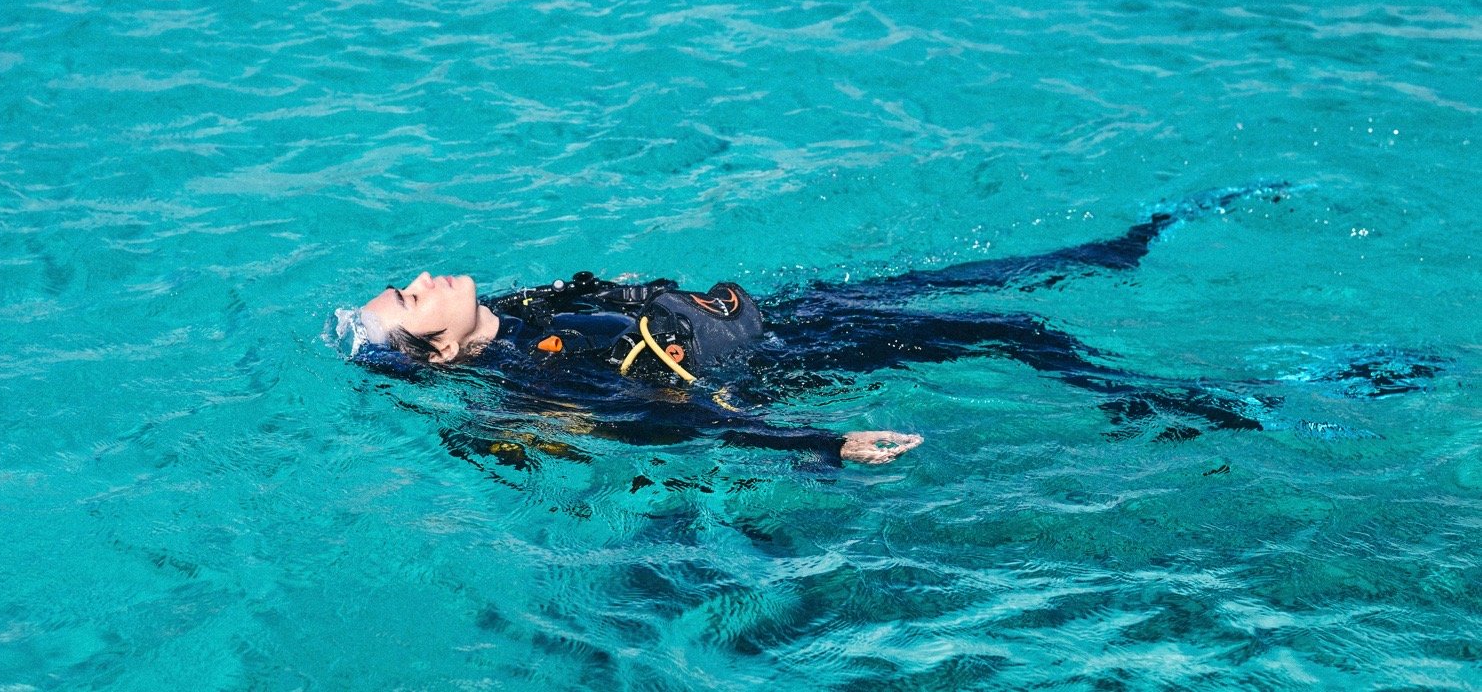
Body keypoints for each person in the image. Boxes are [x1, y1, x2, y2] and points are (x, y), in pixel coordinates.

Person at [339, 183, 1440, 467]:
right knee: (1015, 333)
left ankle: (1130, 241)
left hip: (778, 313)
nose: (426, 274)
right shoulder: (544, 380)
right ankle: (1235, 411)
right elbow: (689, 426)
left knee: (973, 277)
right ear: (433, 345)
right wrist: (825, 445)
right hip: (785, 363)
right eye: (413, 295)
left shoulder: (521, 308)